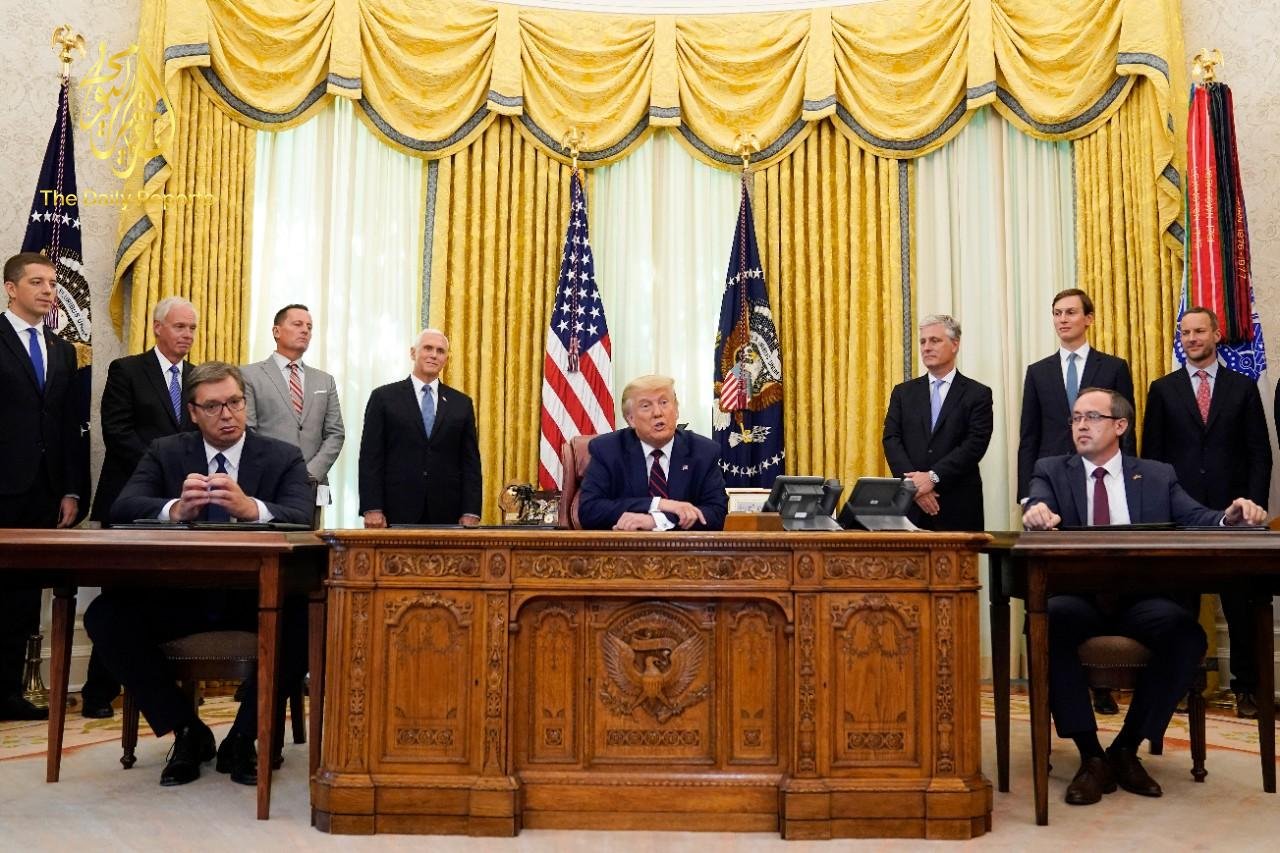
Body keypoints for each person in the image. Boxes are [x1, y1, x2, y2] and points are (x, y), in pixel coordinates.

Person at [1023, 387, 1266, 806]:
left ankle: (1126, 746)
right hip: (1079, 597)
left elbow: (1197, 517)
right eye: (1076, 418)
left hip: (1139, 599)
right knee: (1048, 620)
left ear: (1120, 425)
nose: (1081, 425)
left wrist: (1230, 517)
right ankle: (1090, 754)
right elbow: (1038, 504)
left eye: (1092, 417)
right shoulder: (1051, 470)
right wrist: (1036, 513)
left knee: (1185, 635)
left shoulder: (1156, 475)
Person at [84, 362, 313, 787]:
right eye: (213, 406)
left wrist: (252, 509)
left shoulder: (282, 456)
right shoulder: (166, 452)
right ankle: (187, 730)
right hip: (180, 596)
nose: (227, 415)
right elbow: (123, 506)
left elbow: (302, 516)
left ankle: (243, 737)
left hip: (255, 598)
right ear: (192, 412)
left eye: (235, 403)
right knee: (106, 616)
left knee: (307, 618)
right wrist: (174, 509)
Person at [1143, 307, 1272, 719]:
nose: (1192, 339)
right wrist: (1159, 513)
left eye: (1200, 331)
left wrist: (1252, 508)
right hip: (1180, 519)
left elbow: (1259, 454)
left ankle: (1248, 690)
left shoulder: (1242, 387)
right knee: (1179, 608)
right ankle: (1182, 686)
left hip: (1234, 518)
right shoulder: (1162, 390)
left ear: (1216, 334)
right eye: (1186, 333)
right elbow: (1151, 459)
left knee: (1241, 607)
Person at [1016, 288, 1135, 714]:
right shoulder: (1038, 371)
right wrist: (1027, 494)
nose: (1063, 319)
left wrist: (1128, 484)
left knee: (1102, 583)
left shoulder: (1113, 367)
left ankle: (1102, 684)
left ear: (1089, 318)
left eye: (1070, 312)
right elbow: (1028, 436)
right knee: (1061, 590)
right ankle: (1060, 684)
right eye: (1056, 313)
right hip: (1054, 492)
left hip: (1103, 489)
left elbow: (1127, 431)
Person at [83, 296, 199, 719]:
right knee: (119, 596)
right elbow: (117, 432)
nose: (187, 335)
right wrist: (164, 471)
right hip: (130, 500)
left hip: (181, 507)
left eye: (192, 328)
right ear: (157, 327)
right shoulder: (127, 370)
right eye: (180, 326)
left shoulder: (199, 379)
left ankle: (164, 686)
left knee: (167, 596)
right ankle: (98, 693)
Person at [0, 252, 82, 721]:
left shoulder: (62, 349)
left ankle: (8, 692)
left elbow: (69, 425)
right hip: (2, 486)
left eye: (52, 283)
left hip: (42, 489)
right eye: (37, 282)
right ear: (11, 289)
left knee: (23, 594)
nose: (49, 290)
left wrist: (70, 490)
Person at [359, 328, 481, 527]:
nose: (434, 355)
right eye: (428, 348)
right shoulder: (383, 398)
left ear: (446, 359)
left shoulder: (461, 403)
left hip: (447, 512)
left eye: (440, 351)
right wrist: (372, 507)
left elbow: (470, 463)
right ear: (413, 353)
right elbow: (370, 458)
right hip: (395, 510)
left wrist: (471, 510)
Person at [882, 314, 993, 532]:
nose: (926, 347)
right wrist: (915, 487)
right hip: (910, 505)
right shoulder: (903, 393)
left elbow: (975, 444)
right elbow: (891, 439)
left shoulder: (977, 393)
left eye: (935, 340)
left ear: (955, 345)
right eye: (923, 341)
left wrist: (933, 477)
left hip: (957, 504)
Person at [577, 375, 728, 531]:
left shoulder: (703, 452)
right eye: (646, 406)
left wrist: (657, 521)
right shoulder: (607, 450)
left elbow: (717, 514)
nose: (657, 412)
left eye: (664, 402)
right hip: (625, 545)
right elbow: (589, 511)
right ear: (631, 419)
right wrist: (658, 504)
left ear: (676, 410)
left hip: (682, 546)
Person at [242, 303, 345, 511]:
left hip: (312, 485)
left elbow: (335, 433)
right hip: (267, 482)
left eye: (309, 326)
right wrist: (279, 472)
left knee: (312, 533)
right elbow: (247, 430)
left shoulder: (325, 381)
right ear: (276, 331)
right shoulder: (248, 375)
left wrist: (310, 473)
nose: (305, 330)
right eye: (297, 324)